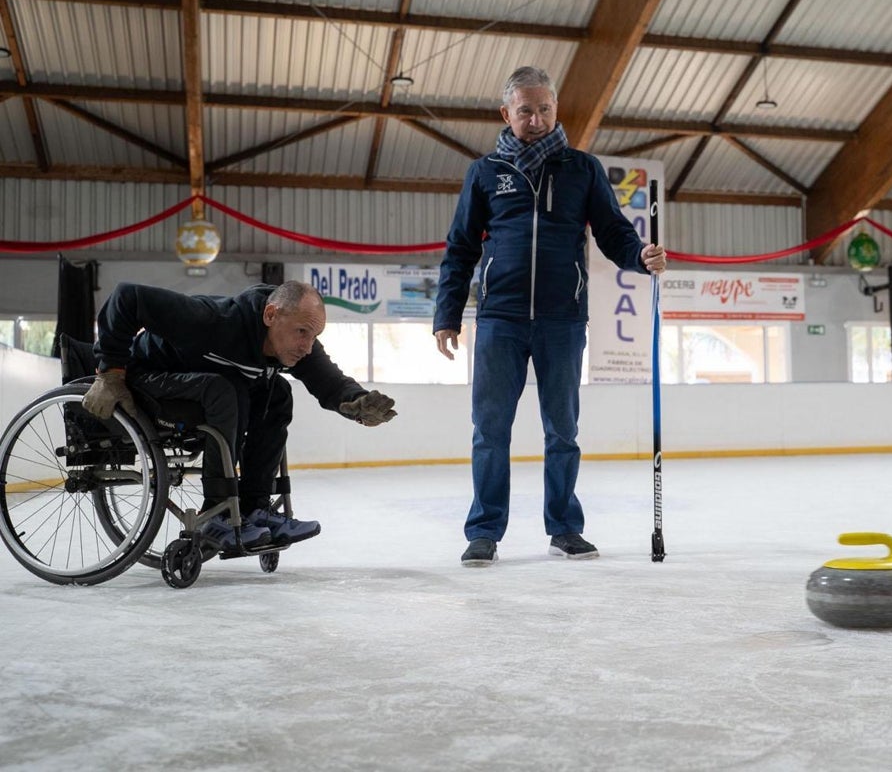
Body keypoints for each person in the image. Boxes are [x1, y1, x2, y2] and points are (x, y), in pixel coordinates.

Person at [434, 66, 667, 567]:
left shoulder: (582, 168)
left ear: (555, 109)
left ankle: (564, 527)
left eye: (543, 109)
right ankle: (483, 531)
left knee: (562, 430)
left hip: (563, 319)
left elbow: (613, 232)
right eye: (525, 111)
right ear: (506, 114)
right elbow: (459, 249)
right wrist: (446, 314)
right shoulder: (485, 173)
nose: (536, 119)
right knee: (489, 429)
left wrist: (639, 257)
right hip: (500, 318)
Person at [82, 280, 397, 550]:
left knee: (277, 394)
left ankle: (254, 508)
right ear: (271, 315)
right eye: (302, 332)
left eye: (313, 336)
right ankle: (217, 513)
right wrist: (110, 372)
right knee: (224, 389)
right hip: (148, 377)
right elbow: (127, 297)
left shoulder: (294, 344)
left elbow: (329, 381)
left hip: (201, 389)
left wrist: (357, 403)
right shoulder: (215, 320)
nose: (307, 345)